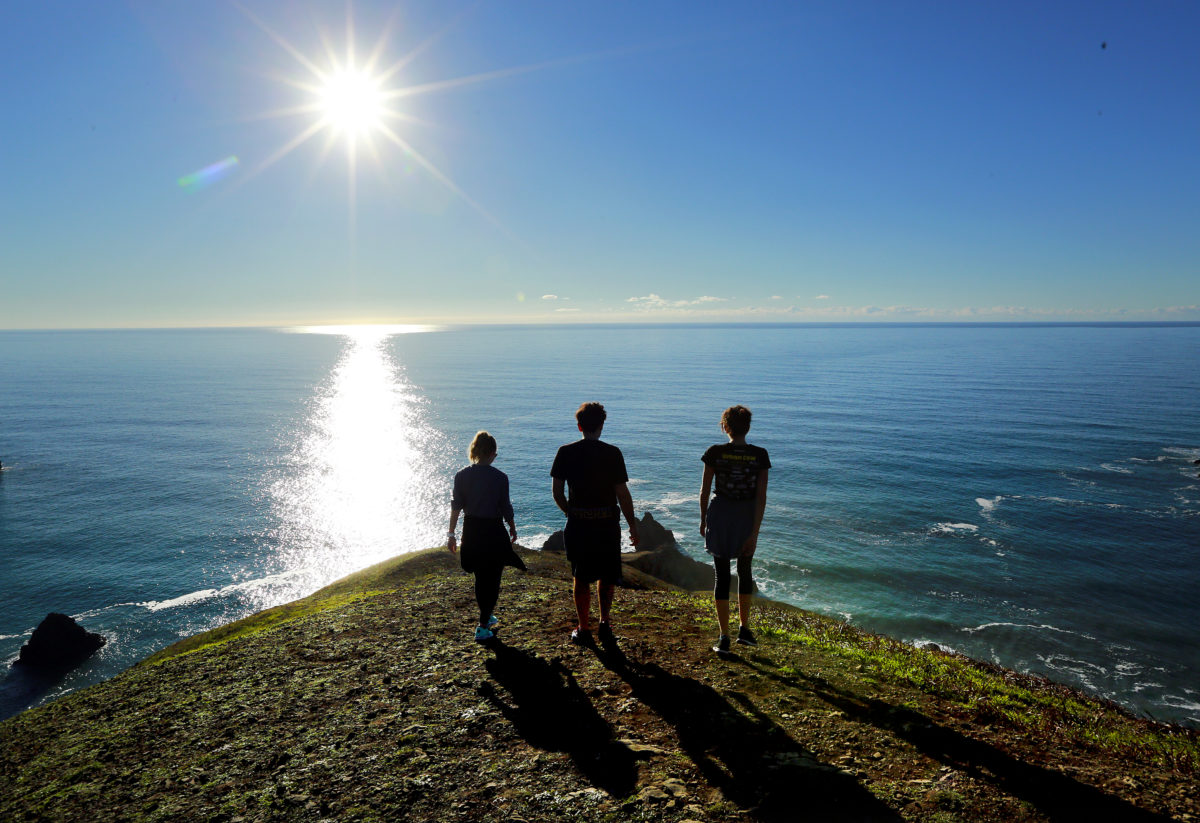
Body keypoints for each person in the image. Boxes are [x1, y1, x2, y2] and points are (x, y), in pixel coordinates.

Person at [551, 402, 640, 646]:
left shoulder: (565, 452)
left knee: (580, 576)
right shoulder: (613, 453)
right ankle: (605, 622)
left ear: (579, 425)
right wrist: (633, 525)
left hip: (579, 523)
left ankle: (583, 628)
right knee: (607, 575)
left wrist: (570, 512)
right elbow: (622, 493)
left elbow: (557, 491)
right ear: (601, 426)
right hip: (607, 522)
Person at [699, 405, 770, 654]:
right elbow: (761, 497)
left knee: (722, 574)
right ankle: (744, 629)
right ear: (748, 427)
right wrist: (755, 532)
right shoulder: (760, 455)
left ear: (724, 426)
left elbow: (705, 491)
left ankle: (724, 637)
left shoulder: (714, 453)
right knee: (745, 571)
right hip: (746, 517)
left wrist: (702, 519)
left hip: (720, 515)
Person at [447, 431, 525, 642]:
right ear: (492, 453)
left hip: (471, 530)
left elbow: (456, 507)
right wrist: (513, 527)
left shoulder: (461, 475)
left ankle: (487, 616)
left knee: (481, 576)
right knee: (493, 577)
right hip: (493, 531)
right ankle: (482, 626)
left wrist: (451, 534)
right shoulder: (500, 478)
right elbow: (505, 507)